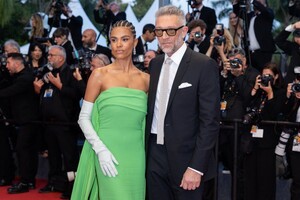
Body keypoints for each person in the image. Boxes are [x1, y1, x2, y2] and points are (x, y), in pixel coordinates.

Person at [146, 5, 220, 200]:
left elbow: (210, 121)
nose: (164, 36)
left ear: (184, 31)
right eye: (159, 31)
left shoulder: (203, 65)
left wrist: (196, 166)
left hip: (188, 159)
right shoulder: (154, 64)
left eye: (171, 30)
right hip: (154, 155)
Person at [71, 20, 149, 200]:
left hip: (136, 155)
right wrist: (100, 150)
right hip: (107, 152)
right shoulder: (99, 75)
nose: (119, 45)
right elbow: (83, 118)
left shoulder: (146, 80)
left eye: (124, 39)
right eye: (114, 40)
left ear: (135, 42)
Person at [34, 45, 80, 199]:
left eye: (51, 55)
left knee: (69, 158)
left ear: (61, 57)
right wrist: (37, 90)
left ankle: (71, 187)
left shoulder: (71, 73)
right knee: (53, 157)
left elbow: (76, 94)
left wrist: (58, 85)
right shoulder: (48, 73)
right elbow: (45, 96)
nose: (49, 57)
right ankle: (53, 182)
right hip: (49, 123)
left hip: (65, 124)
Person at [242, 62, 285, 200]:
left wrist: (270, 93)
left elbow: (273, 114)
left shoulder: (280, 93)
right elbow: (245, 105)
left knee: (265, 179)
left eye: (270, 76)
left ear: (276, 77)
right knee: (250, 178)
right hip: (252, 142)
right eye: (264, 76)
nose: (266, 79)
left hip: (267, 143)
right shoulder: (258, 91)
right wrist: (255, 88)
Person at [0, 53, 39, 194]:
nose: (6, 65)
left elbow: (10, 91)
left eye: (8, 63)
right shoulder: (18, 77)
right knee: (25, 150)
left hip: (29, 120)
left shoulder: (26, 78)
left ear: (17, 63)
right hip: (23, 121)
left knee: (23, 150)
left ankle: (26, 181)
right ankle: (28, 181)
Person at [232, 0, 276, 72]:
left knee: (263, 72)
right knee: (251, 74)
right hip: (250, 53)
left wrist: (253, 1)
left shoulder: (267, 13)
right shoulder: (250, 15)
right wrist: (236, 2)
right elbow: (238, 13)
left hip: (263, 52)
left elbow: (264, 10)